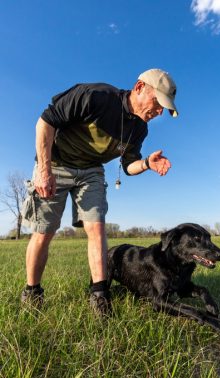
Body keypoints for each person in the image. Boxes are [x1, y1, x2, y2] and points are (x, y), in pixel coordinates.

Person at [21, 68, 178, 316]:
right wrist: (43, 169)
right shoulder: (96, 95)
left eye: (163, 109)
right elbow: (45, 122)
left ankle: (100, 296)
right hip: (56, 163)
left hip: (91, 171)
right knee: (44, 231)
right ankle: (32, 291)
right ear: (139, 88)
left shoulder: (139, 129)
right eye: (158, 103)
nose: (159, 112)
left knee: (97, 228)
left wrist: (147, 163)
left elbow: (128, 166)